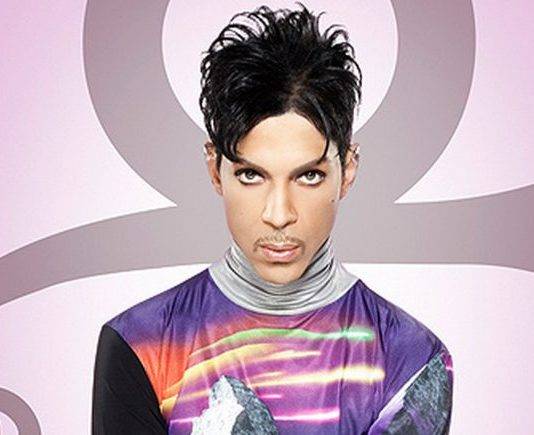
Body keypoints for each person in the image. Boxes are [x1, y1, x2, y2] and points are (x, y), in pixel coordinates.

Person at [91, 3, 453, 434]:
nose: (279, 215)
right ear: (215, 169)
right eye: (251, 175)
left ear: (348, 170)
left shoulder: (410, 359)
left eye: (309, 176)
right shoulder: (141, 345)